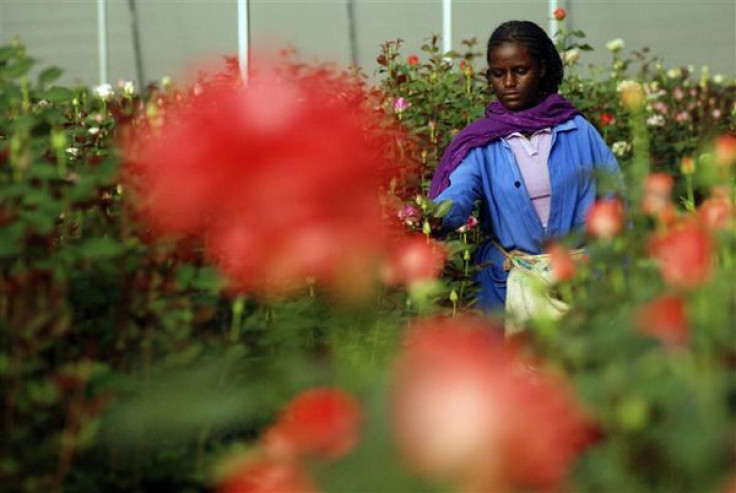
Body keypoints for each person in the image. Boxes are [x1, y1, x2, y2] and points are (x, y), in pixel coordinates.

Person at [429, 20, 623, 324]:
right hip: (508, 285)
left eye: (520, 70)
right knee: (511, 368)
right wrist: (429, 217)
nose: (508, 82)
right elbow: (458, 193)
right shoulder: (484, 141)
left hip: (579, 283)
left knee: (576, 367)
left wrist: (615, 266)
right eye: (498, 73)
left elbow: (614, 197)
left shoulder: (577, 130)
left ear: (542, 69)